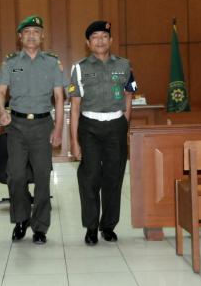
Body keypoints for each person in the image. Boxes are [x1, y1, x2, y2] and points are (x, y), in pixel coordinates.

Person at [0, 15, 65, 245]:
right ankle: (21, 219)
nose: (31, 35)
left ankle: (40, 226)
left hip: (43, 125)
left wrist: (58, 130)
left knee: (43, 177)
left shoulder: (52, 63)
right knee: (15, 175)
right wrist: (1, 110)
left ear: (42, 36)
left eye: (36, 31)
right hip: (16, 126)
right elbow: (1, 92)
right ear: (20, 37)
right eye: (27, 32)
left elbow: (58, 97)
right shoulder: (10, 63)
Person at [67, 21, 137, 245]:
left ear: (111, 40)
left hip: (115, 126)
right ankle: (91, 227)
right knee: (90, 177)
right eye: (95, 37)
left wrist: (123, 126)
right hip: (90, 127)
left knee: (113, 178)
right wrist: (74, 143)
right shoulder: (79, 68)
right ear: (88, 43)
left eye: (104, 36)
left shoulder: (125, 65)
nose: (100, 40)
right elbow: (75, 107)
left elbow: (129, 98)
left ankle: (108, 225)